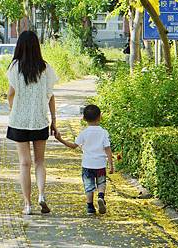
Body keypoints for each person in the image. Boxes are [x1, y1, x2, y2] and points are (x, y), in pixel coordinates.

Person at [6, 30, 58, 215]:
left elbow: (10, 95)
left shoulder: (15, 68)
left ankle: (27, 205)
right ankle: (42, 195)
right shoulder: (45, 68)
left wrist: (15, 110)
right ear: (37, 46)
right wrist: (54, 121)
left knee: (24, 163)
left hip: (19, 121)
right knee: (40, 161)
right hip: (39, 121)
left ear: (19, 46)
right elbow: (50, 96)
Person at [56, 104, 114, 216]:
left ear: (84, 119)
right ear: (100, 117)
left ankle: (90, 207)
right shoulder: (104, 132)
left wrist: (60, 139)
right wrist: (111, 164)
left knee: (89, 186)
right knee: (101, 182)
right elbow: (108, 149)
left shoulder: (84, 133)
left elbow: (73, 146)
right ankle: (101, 196)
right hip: (100, 164)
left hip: (87, 165)